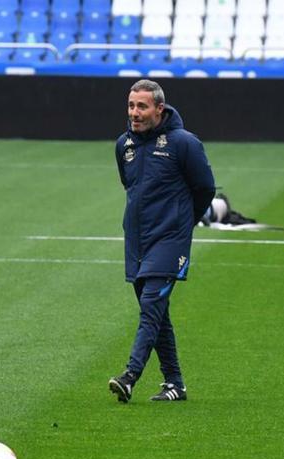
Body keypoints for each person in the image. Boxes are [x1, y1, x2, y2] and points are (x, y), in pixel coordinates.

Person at [109, 79, 216, 403]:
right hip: (138, 241)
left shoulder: (183, 143)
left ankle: (130, 376)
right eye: (131, 106)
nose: (135, 113)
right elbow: (130, 187)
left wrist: (183, 224)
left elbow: (205, 189)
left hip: (170, 240)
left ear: (159, 108)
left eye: (142, 106)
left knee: (152, 307)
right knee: (156, 312)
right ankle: (175, 384)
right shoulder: (123, 145)